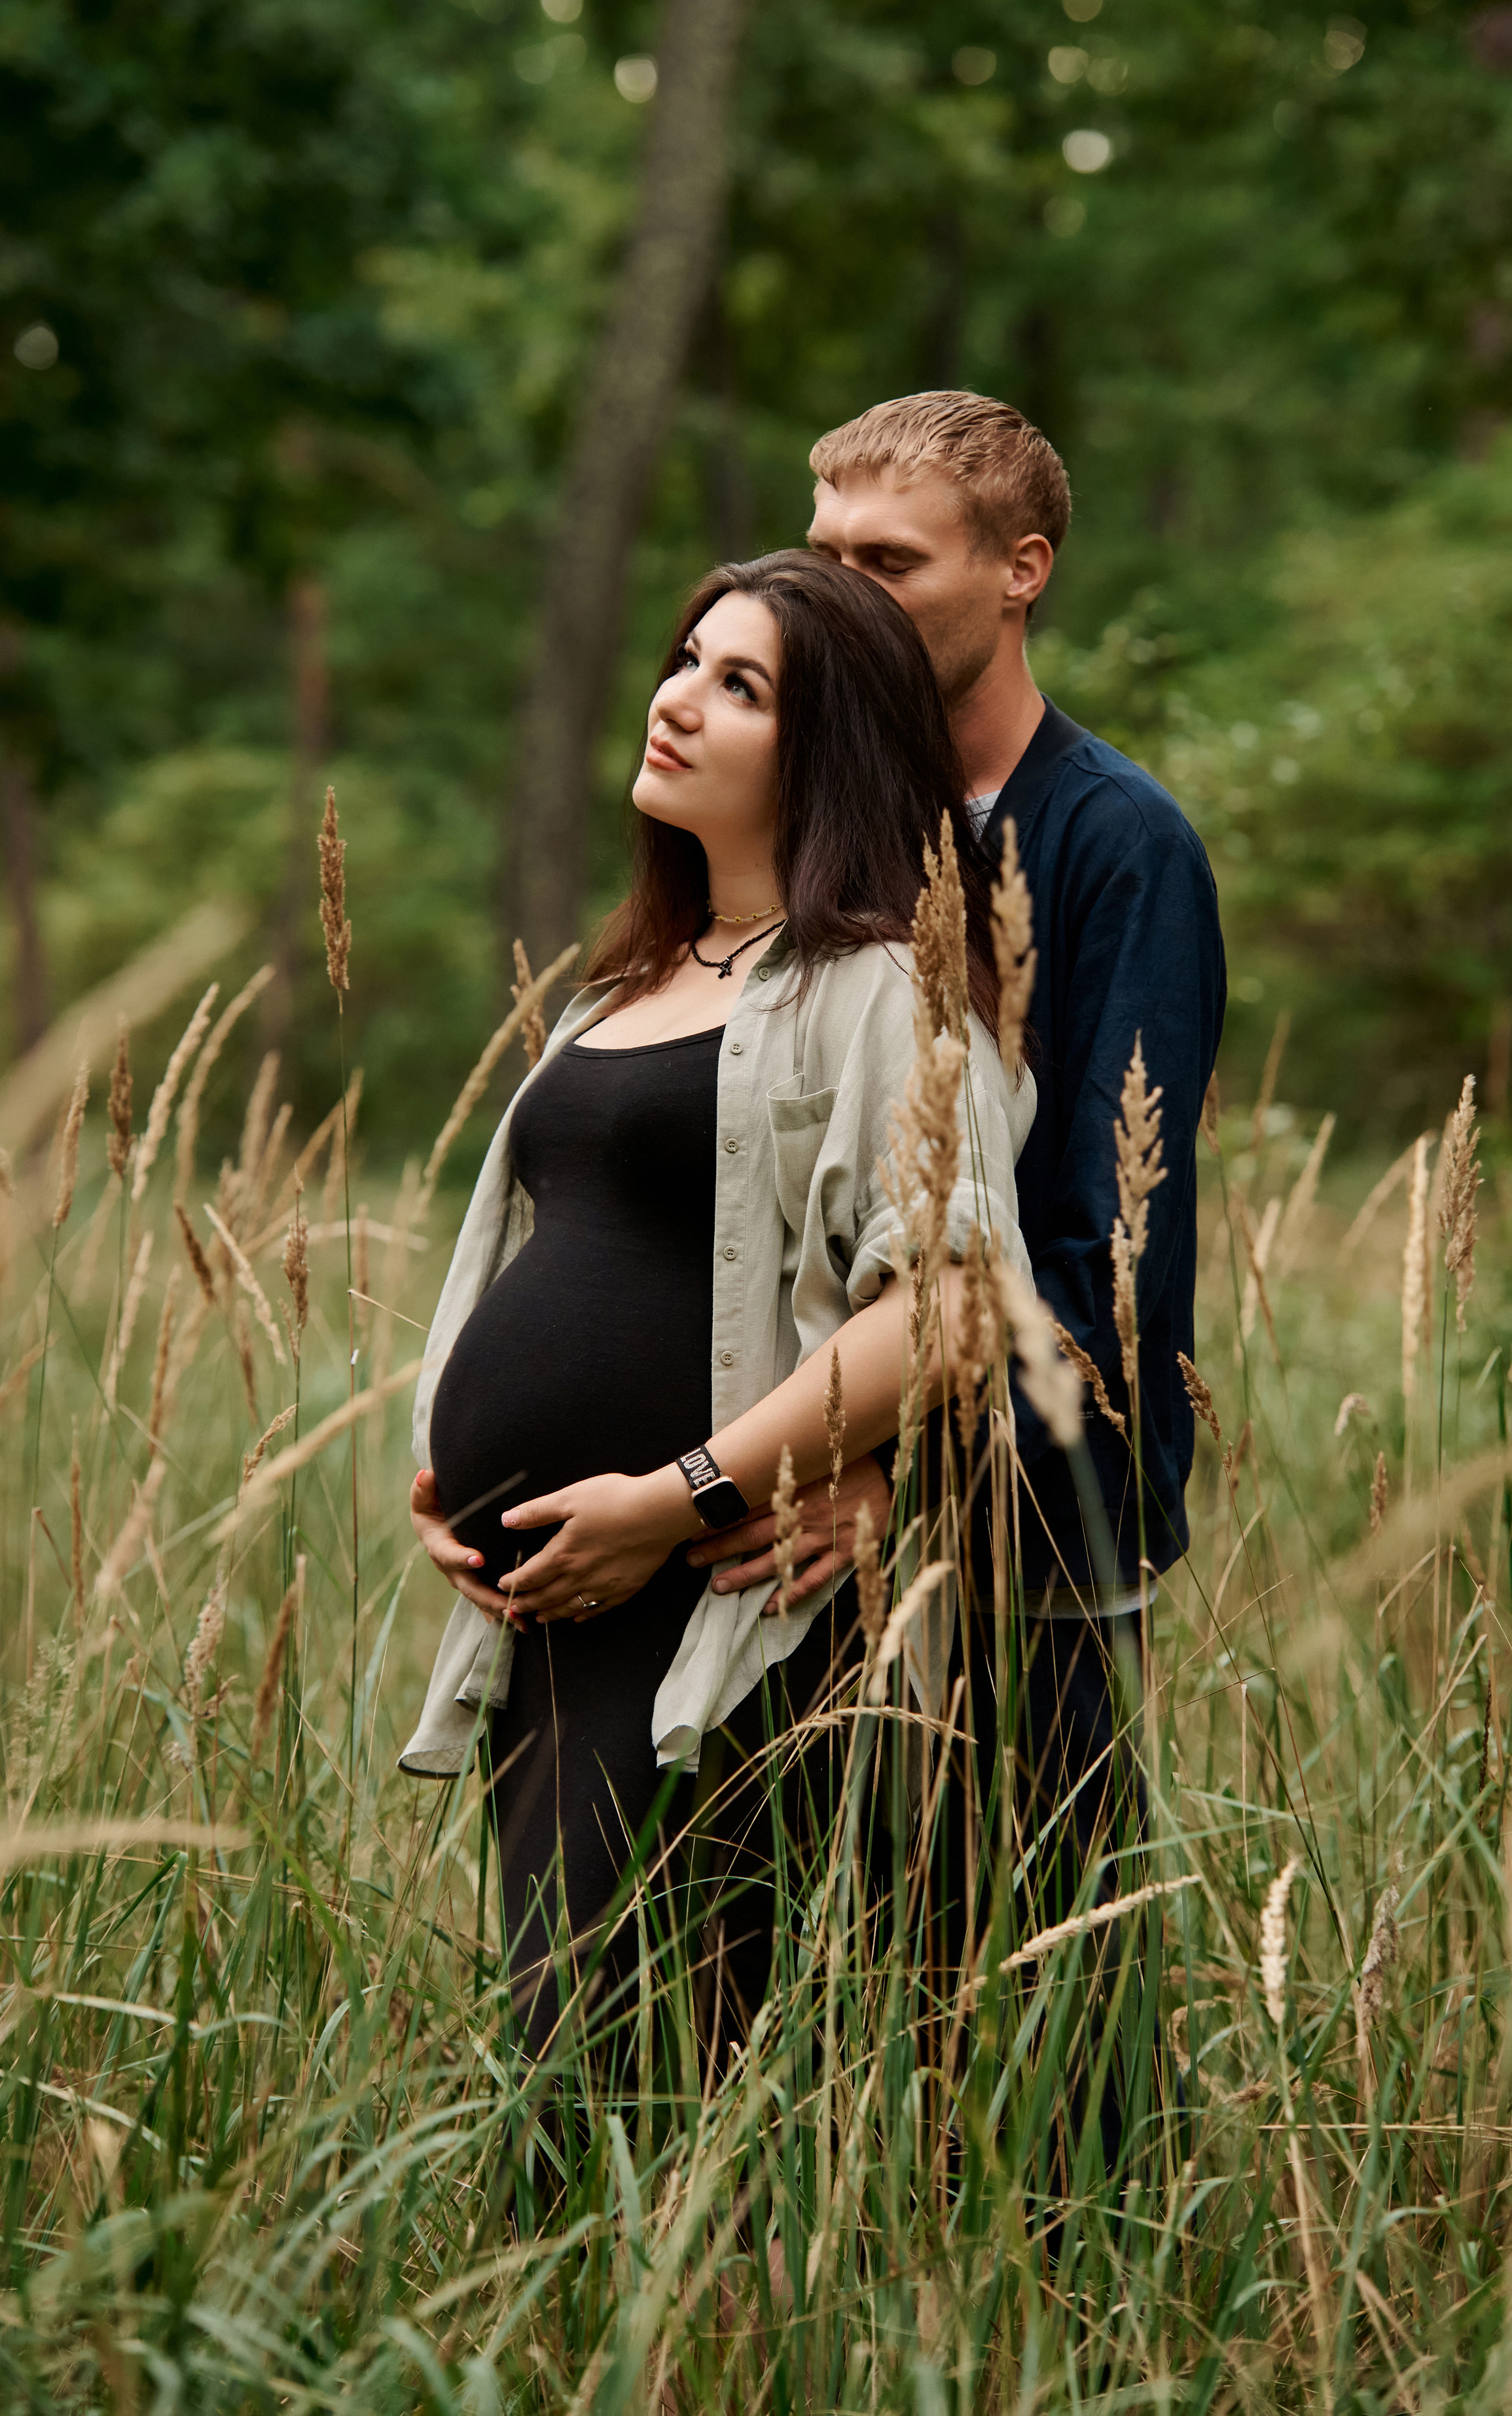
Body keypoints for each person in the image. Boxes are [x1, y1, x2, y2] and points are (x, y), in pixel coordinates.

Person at [397, 549, 1035, 2070]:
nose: (676, 699)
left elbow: (948, 1305)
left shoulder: (882, 983)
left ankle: (692, 2313)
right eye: (685, 658)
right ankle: (589, 2315)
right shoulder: (619, 988)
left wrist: (678, 1496)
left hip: (717, 1598)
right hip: (554, 1606)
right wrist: (452, 1481)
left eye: (737, 685)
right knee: (570, 2040)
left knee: (656, 2044)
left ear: (829, 746)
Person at [690, 395, 1226, 2062]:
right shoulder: (813, 812)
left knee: (1032, 2031)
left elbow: (1099, 1241)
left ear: (1019, 573)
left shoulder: (1108, 841)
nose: (839, 588)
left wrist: (905, 1477)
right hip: (781, 1523)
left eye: (888, 561)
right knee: (782, 2039)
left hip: (1019, 1538)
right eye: (824, 552)